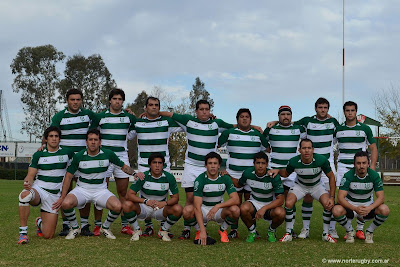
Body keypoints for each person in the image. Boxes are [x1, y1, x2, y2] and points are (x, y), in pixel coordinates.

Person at [157, 100, 234, 239]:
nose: (204, 111)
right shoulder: (188, 120)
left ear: (210, 111)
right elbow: (170, 114)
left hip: (209, 168)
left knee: (205, 198)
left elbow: (234, 127)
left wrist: (254, 126)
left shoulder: (217, 123)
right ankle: (188, 229)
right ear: (196, 111)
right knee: (190, 199)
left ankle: (213, 227)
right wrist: (149, 115)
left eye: (207, 109)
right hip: (192, 166)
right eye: (201, 109)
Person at [52, 129, 143, 240]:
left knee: (118, 206)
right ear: (86, 142)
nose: (93, 142)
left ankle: (105, 227)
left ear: (100, 142)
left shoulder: (108, 154)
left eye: (96, 140)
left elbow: (123, 167)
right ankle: (75, 228)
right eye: (91, 140)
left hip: (100, 190)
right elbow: (69, 176)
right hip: (82, 189)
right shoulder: (79, 156)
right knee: (66, 203)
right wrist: (62, 196)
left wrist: (134, 173)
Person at [128, 96, 183, 237]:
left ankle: (164, 228)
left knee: (163, 193)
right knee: (144, 194)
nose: (154, 107)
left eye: (156, 105)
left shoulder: (167, 122)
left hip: (164, 165)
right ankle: (148, 226)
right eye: (151, 105)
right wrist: (129, 116)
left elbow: (185, 124)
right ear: (145, 107)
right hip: (143, 164)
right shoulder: (138, 122)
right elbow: (127, 136)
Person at [50, 88, 101, 237]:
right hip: (64, 159)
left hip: (82, 158)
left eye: (78, 99)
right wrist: (43, 144)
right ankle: (67, 224)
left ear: (81, 101)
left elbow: (99, 120)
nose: (75, 102)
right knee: (63, 190)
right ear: (67, 101)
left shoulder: (88, 114)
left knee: (85, 188)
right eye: (72, 99)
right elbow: (51, 132)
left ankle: (84, 225)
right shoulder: (59, 116)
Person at [269, 139, 337, 243]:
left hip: (317, 186)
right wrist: (278, 170)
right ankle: (288, 233)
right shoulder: (294, 161)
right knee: (288, 203)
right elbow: (286, 174)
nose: (307, 151)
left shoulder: (321, 160)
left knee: (328, 204)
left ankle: (325, 233)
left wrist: (332, 197)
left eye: (309, 148)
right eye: (304, 148)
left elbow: (331, 177)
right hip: (300, 186)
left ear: (313, 149)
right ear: (299, 150)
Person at [90, 88, 137, 235]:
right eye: (115, 98)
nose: (117, 101)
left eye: (120, 99)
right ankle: (98, 225)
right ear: (110, 100)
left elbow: (135, 130)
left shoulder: (129, 117)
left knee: (122, 191)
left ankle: (124, 225)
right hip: (103, 157)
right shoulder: (100, 117)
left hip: (122, 157)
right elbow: (93, 134)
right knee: (99, 191)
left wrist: (126, 137)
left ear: (123, 102)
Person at [218, 108, 269, 238]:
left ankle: (252, 229)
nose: (244, 119)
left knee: (250, 204)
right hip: (233, 174)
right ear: (237, 119)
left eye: (247, 117)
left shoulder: (257, 135)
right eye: (242, 116)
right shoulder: (229, 133)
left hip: (252, 176)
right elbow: (216, 146)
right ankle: (234, 230)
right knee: (235, 203)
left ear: (250, 120)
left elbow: (267, 149)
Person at [18, 126, 74, 244]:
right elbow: (30, 174)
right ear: (46, 139)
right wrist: (28, 182)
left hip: (54, 196)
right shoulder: (39, 154)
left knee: (48, 235)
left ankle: (39, 222)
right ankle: (23, 234)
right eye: (51, 136)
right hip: (39, 189)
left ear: (60, 139)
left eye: (56, 136)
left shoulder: (67, 153)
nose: (54, 139)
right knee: (25, 195)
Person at [293, 98, 340, 239]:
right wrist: (275, 122)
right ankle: (305, 229)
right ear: (315, 108)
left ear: (328, 109)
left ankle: (331, 229)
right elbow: (289, 124)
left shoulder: (333, 123)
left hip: (327, 164)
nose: (323, 110)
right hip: (310, 163)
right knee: (308, 196)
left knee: (331, 196)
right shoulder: (307, 121)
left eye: (325, 107)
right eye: (320, 107)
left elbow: (340, 135)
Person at [335, 101, 378, 239]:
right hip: (343, 166)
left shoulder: (365, 129)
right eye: (347, 110)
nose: (350, 113)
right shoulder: (338, 129)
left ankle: (360, 229)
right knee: (345, 197)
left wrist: (372, 167)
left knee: (364, 196)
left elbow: (373, 148)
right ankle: (349, 230)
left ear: (356, 112)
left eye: (352, 110)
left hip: (361, 167)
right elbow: (330, 146)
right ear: (344, 112)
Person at [263, 105, 306, 237]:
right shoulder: (271, 129)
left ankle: (290, 229)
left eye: (288, 114)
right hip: (274, 169)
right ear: (278, 116)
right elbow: (263, 144)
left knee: (290, 200)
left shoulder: (299, 129)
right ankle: (272, 227)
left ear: (291, 116)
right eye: (283, 114)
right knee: (274, 199)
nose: (285, 116)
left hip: (291, 171)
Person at [122, 153, 183, 241]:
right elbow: (129, 195)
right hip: (144, 207)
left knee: (178, 209)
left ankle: (163, 230)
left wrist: (164, 203)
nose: (157, 166)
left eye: (160, 163)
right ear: (150, 164)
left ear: (163, 165)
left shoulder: (169, 177)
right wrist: (145, 201)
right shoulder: (143, 176)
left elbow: (176, 198)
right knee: (126, 205)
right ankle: (137, 230)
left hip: (160, 209)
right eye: (154, 163)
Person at [332, 151, 389, 243]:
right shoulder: (348, 176)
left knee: (385, 209)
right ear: (354, 164)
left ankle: (369, 232)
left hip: (367, 208)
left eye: (364, 163)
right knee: (336, 210)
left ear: (368, 163)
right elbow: (340, 198)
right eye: (358, 163)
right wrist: (355, 208)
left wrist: (369, 208)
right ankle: (350, 231)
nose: (361, 166)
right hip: (351, 208)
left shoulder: (374, 175)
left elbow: (381, 197)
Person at [183, 152, 240, 245]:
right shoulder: (200, 180)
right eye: (210, 163)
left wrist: (218, 206)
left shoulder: (225, 178)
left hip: (219, 211)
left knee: (236, 210)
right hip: (204, 210)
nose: (212, 166)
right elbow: (197, 207)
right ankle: (199, 231)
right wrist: (202, 231)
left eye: (215, 163)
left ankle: (222, 230)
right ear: (205, 165)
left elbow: (236, 199)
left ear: (219, 165)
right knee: (187, 211)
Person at [231, 152, 285, 243]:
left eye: (263, 163)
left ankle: (271, 231)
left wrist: (264, 208)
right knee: (243, 208)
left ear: (267, 164)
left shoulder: (273, 176)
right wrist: (228, 176)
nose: (260, 166)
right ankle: (252, 231)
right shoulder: (248, 173)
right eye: (258, 163)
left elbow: (281, 200)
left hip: (269, 205)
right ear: (254, 164)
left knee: (281, 213)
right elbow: (238, 184)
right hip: (255, 203)